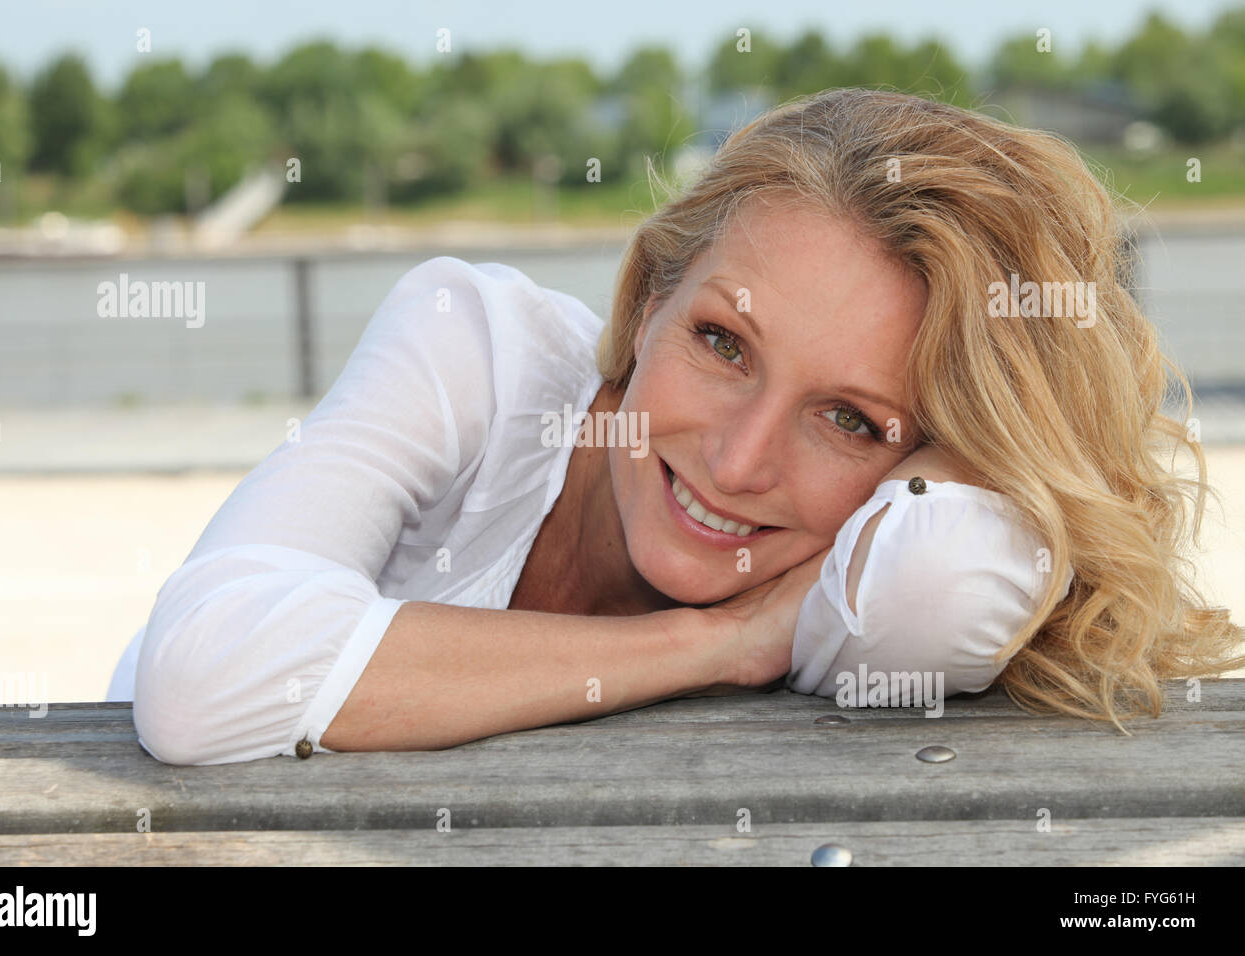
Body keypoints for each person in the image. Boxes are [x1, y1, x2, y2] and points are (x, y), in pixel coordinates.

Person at [114, 88, 1243, 765]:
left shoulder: (875, 569)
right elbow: (204, 682)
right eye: (721, 342)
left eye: (849, 418)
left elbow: (950, 570)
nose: (739, 459)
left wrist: (996, 461)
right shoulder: (476, 350)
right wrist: (728, 642)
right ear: (648, 295)